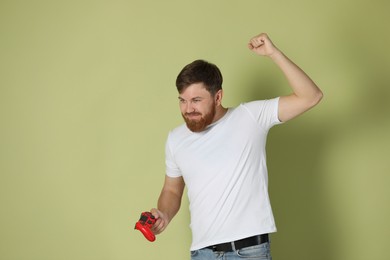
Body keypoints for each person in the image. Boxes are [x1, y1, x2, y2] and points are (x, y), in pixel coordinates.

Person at [149, 32, 323, 260]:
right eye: (183, 100)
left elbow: (311, 96)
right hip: (203, 253)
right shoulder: (175, 138)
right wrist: (164, 213)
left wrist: (274, 54)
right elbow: (171, 190)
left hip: (249, 252)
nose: (188, 108)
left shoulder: (250, 117)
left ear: (218, 96)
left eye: (196, 100)